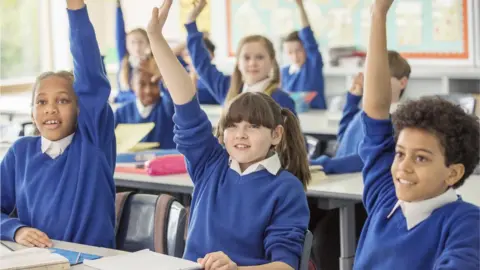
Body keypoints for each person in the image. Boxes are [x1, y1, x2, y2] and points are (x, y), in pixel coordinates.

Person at [146, 1, 311, 269]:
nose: (240, 134)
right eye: (232, 125)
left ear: (276, 134)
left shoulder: (285, 188)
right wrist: (155, 37)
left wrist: (236, 269)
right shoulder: (210, 164)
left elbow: (285, 266)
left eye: (253, 126)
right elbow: (185, 103)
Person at [355, 0, 480, 268]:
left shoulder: (466, 223)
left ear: (453, 173)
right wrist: (378, 14)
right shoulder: (386, 198)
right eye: (400, 154)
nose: (404, 167)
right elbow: (376, 109)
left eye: (421, 158)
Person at [0, 0, 116, 248]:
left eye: (62, 100)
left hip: (92, 263)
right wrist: (15, 230)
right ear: (32, 114)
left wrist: (75, 10)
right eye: (41, 102)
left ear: (80, 108)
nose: (50, 108)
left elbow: (90, 74)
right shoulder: (20, 152)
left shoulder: (93, 142)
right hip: (38, 262)